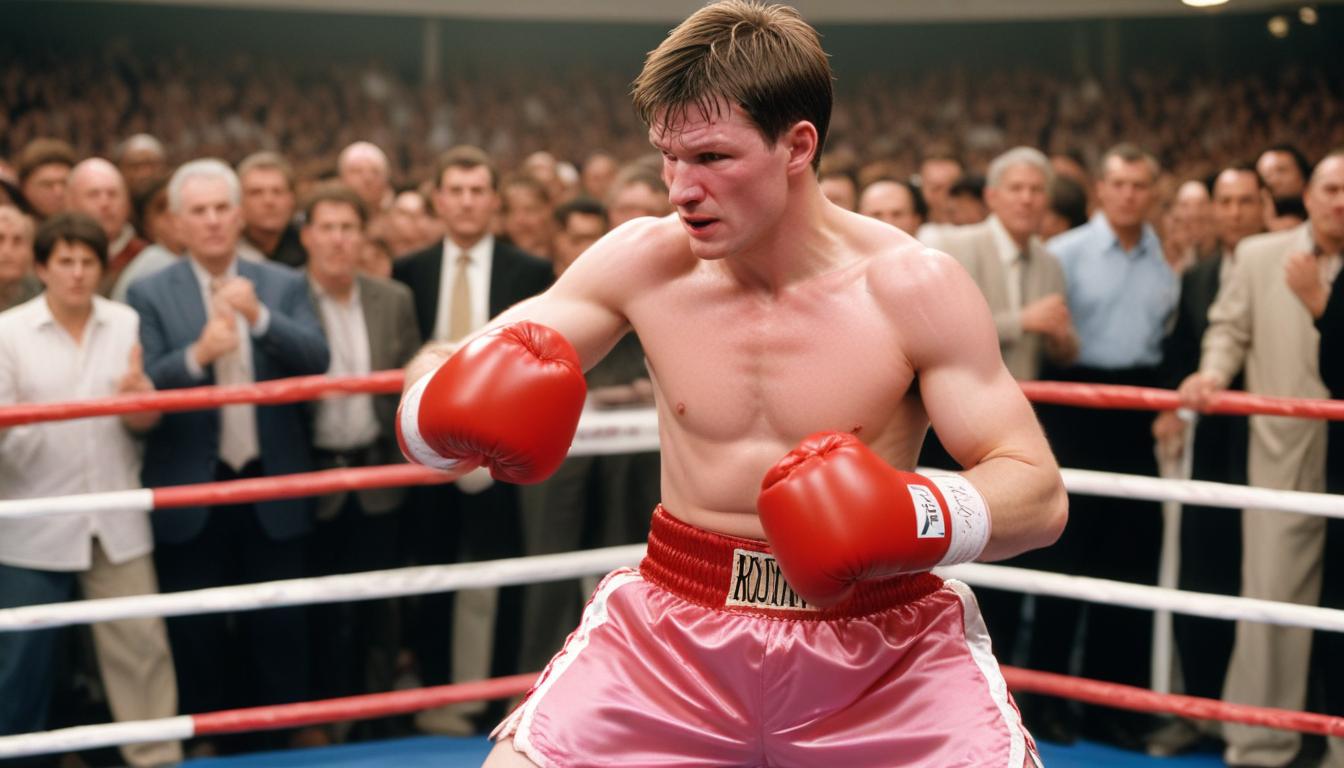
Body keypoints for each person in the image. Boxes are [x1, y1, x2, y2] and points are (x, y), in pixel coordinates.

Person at [398, 3, 1065, 765]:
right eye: (668, 157)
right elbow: (454, 357)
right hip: (674, 631)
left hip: (883, 649)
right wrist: (431, 410)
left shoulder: (910, 287)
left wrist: (911, 514)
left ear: (797, 146)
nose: (681, 188)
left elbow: (1038, 494)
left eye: (711, 157)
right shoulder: (645, 261)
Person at [127, 159, 329, 754]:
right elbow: (141, 390)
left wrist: (259, 318)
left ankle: (284, 739)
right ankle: (207, 740)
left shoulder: (282, 282)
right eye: (200, 211)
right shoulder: (148, 291)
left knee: (280, 622)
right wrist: (196, 356)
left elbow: (317, 359)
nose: (213, 222)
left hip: (273, 480)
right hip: (193, 483)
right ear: (177, 223)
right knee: (198, 627)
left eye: (222, 209)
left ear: (239, 217)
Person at [0, 212, 180, 768]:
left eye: (88, 262)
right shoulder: (7, 331)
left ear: (102, 269)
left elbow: (142, 425)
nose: (77, 273)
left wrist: (141, 404)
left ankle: (156, 758)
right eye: (65, 262)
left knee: (141, 648)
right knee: (22, 659)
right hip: (34, 516)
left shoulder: (125, 322)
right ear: (42, 268)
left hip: (115, 510)